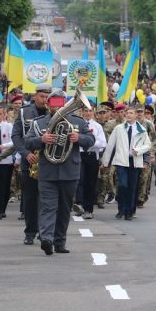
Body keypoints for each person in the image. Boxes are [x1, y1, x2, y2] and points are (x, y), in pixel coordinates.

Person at [25, 90, 95, 255]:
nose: (57, 106)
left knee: (64, 208)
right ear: (48, 104)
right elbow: (27, 142)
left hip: (70, 171)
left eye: (60, 102)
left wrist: (79, 138)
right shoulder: (39, 123)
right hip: (48, 172)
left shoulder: (77, 122)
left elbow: (91, 140)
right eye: (54, 102)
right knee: (48, 207)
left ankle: (59, 242)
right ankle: (47, 239)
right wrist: (41, 140)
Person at [11, 84, 51, 244]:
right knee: (30, 199)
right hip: (31, 161)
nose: (45, 99)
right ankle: (30, 232)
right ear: (35, 96)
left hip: (49, 161)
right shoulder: (24, 112)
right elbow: (16, 136)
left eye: (48, 96)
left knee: (47, 200)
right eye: (42, 96)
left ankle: (45, 232)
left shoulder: (55, 112)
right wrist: (25, 153)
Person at [102, 106, 151, 220]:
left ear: (135, 115)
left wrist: (139, 151)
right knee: (123, 185)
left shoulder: (141, 130)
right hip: (121, 161)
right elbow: (110, 145)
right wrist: (105, 162)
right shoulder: (119, 128)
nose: (128, 115)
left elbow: (148, 145)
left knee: (132, 187)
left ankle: (129, 211)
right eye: (127, 113)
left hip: (134, 160)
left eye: (131, 113)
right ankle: (121, 209)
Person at [76, 105, 107, 219]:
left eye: (90, 111)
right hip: (79, 154)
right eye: (85, 111)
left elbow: (103, 143)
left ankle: (88, 209)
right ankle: (79, 204)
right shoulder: (78, 124)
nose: (88, 113)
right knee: (79, 180)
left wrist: (88, 142)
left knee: (90, 182)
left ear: (93, 112)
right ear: (82, 112)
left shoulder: (97, 126)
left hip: (92, 155)